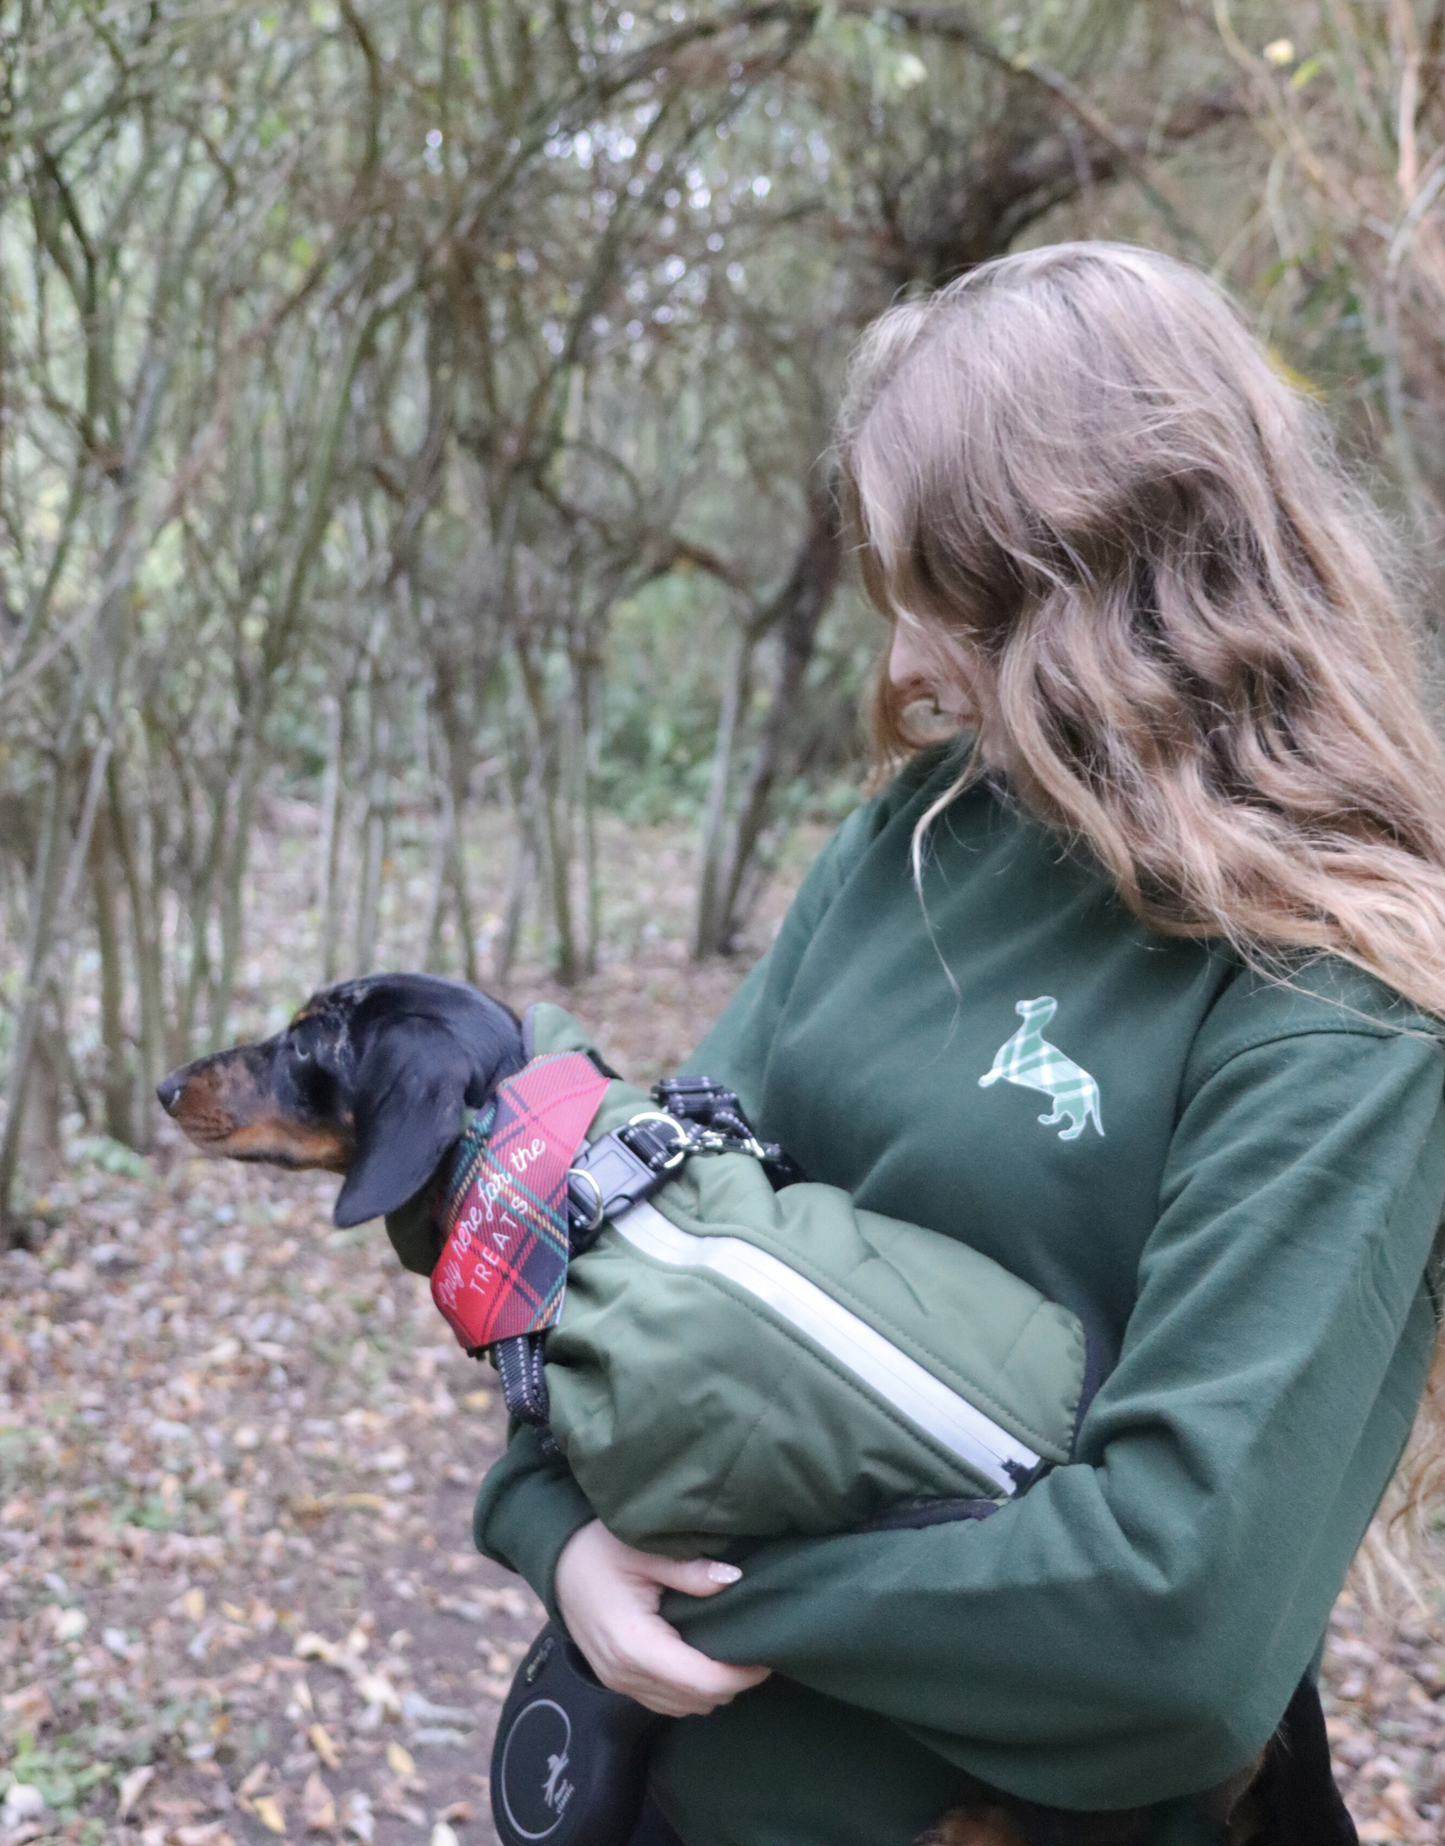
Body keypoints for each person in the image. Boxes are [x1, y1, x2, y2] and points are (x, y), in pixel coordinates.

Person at [473, 243, 1445, 1845]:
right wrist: (556, 1538)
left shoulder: (1341, 988)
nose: (905, 663)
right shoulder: (922, 835)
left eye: (949, 596)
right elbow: (627, 1254)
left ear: (1114, 584)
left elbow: (1170, 1627)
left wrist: (723, 1595)